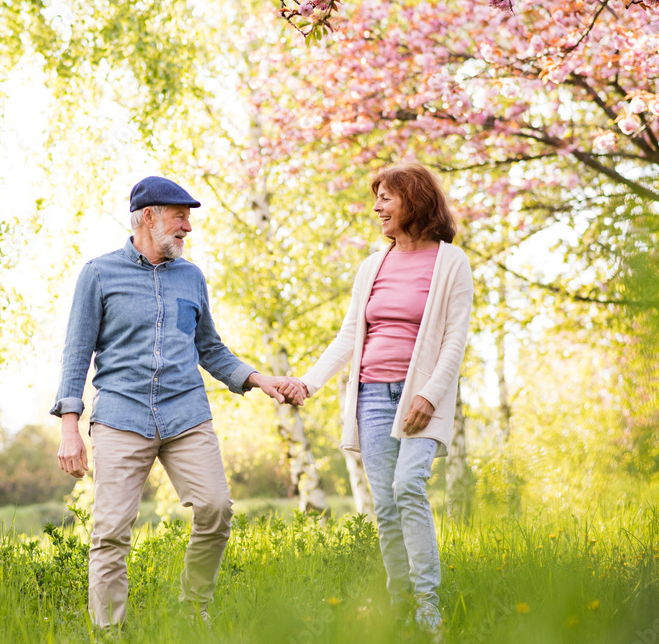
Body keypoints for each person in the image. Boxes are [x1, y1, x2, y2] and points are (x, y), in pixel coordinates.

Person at [51, 175, 293, 630]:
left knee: (216, 509)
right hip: (121, 416)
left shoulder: (192, 277)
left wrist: (259, 379)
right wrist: (70, 426)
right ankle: (109, 633)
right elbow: (76, 352)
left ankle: (192, 609)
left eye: (188, 218)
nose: (188, 227)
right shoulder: (99, 274)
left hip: (186, 414)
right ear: (149, 216)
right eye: (180, 217)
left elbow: (210, 348)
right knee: (110, 532)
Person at [279, 162, 473, 632]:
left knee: (409, 486)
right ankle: (399, 606)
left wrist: (429, 395)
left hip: (419, 398)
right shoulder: (372, 265)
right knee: (386, 506)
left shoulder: (451, 262)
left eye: (386, 198)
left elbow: (455, 338)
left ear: (415, 200)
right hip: (370, 396)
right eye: (377, 198)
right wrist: (308, 382)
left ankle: (428, 606)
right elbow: (350, 334)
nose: (377, 207)